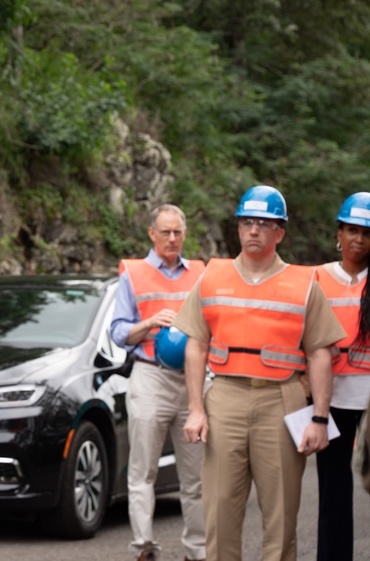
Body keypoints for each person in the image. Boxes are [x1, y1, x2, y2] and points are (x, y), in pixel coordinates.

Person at [175, 185, 342, 561]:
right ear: (238, 228)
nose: (253, 230)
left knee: (281, 516)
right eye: (247, 222)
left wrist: (319, 418)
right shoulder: (211, 276)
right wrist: (196, 409)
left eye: (263, 224)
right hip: (225, 399)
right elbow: (196, 345)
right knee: (219, 512)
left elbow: (319, 355)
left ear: (279, 232)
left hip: (281, 399)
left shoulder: (303, 285)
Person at [110, 205, 205, 561]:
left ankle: (197, 551)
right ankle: (143, 548)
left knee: (195, 477)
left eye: (178, 232)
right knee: (142, 472)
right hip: (149, 375)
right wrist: (148, 323)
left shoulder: (199, 272)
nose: (172, 239)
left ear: (185, 233)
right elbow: (118, 332)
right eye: (165, 232)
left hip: (193, 381)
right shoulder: (132, 275)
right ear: (152, 233)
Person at [313, 192, 370, 561]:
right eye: (352, 230)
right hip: (329, 398)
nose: (359, 240)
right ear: (339, 232)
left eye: (366, 233)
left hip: (369, 399)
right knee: (333, 492)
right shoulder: (317, 278)